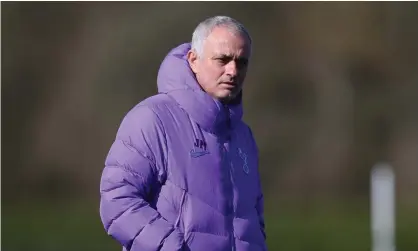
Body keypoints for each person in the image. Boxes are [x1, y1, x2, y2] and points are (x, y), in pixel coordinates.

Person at [99, 16, 267, 251]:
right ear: (194, 60)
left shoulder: (243, 136)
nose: (233, 70)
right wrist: (171, 247)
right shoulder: (152, 118)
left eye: (242, 62)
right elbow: (117, 200)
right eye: (223, 59)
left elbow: (254, 217)